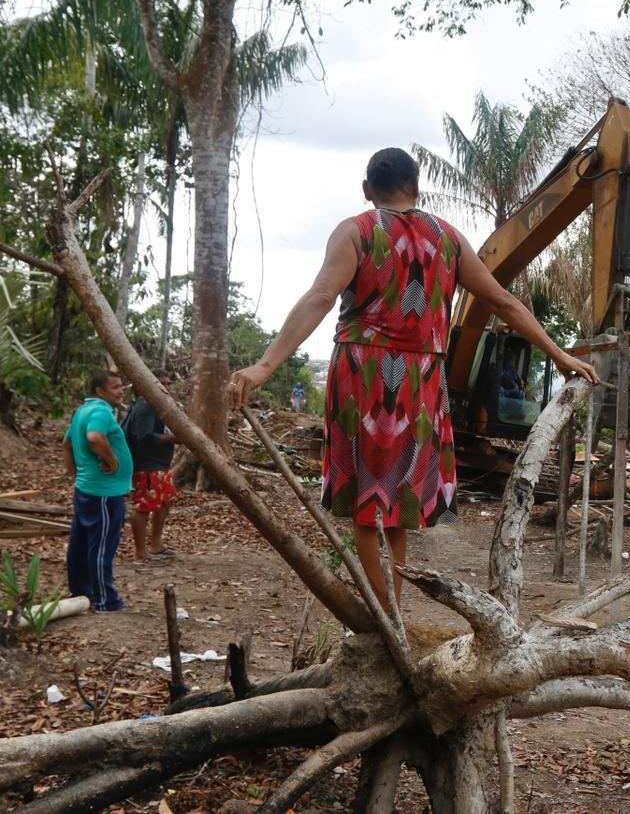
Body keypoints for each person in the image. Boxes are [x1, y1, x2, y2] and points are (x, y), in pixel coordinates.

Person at [227, 147, 598, 606]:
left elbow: (321, 295)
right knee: (397, 506)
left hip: (363, 376)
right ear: (417, 187)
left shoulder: (356, 231)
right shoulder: (448, 238)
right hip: (420, 380)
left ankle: (386, 616)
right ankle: (391, 611)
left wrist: (265, 366)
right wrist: (559, 355)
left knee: (367, 506)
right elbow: (503, 302)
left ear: (367, 191)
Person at [62, 371, 133, 611]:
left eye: (121, 385)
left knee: (81, 541)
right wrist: (112, 460)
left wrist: (76, 473)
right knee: (101, 544)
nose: (121, 390)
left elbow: (68, 442)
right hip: (104, 491)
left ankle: (82, 592)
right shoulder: (101, 411)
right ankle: (105, 600)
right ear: (101, 391)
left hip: (88, 487)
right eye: (116, 387)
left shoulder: (81, 411)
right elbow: (94, 437)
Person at [124, 370, 179, 564]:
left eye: (168, 383)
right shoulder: (147, 404)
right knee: (144, 506)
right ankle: (140, 552)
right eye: (160, 383)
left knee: (164, 502)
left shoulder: (157, 405)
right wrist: (175, 438)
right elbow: (144, 436)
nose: (165, 388)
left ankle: (156, 545)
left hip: (160, 465)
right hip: (147, 465)